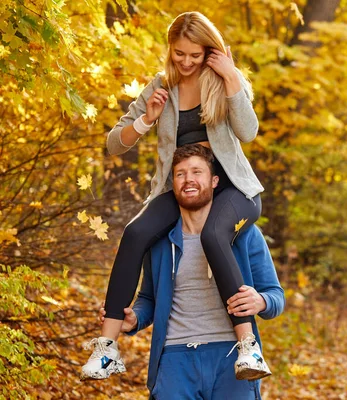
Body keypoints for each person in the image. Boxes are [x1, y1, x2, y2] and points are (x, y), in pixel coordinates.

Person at [81, 11, 267, 380]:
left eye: (194, 55)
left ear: (209, 51)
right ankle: (106, 349)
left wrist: (231, 77)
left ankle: (248, 349)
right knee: (134, 234)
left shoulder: (224, 79)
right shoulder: (161, 86)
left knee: (215, 235)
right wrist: (146, 119)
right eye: (178, 53)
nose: (185, 62)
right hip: (179, 188)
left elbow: (248, 132)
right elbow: (114, 144)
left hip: (232, 189)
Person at [99, 144, 284, 399]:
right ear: (172, 184)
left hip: (232, 358)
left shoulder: (245, 235)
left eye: (197, 172)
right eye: (180, 174)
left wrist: (261, 301)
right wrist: (135, 319)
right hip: (174, 360)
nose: (189, 180)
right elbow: (149, 298)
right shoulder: (160, 242)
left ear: (215, 180)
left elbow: (276, 295)